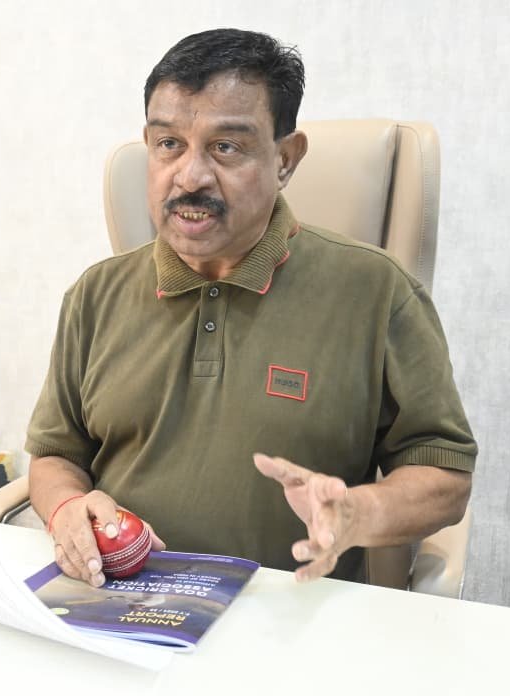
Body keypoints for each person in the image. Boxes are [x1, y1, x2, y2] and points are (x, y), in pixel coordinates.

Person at [26, 29, 477, 588]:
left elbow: (444, 475)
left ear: (285, 159)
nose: (189, 176)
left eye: (226, 147)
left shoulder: (377, 291)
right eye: (168, 144)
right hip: (115, 604)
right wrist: (66, 506)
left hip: (289, 613)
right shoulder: (95, 294)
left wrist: (359, 511)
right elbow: (55, 455)